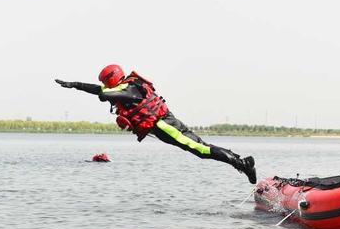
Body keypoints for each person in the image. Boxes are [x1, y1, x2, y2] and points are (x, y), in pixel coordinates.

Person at [55, 64, 256, 183]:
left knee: (201, 150)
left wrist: (77, 86)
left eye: (107, 83)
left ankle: (242, 164)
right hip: (166, 122)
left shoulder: (128, 90)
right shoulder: (131, 85)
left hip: (164, 126)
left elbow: (103, 92)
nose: (106, 86)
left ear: (112, 80)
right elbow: (102, 90)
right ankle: (241, 161)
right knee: (201, 147)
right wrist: (75, 85)